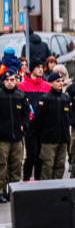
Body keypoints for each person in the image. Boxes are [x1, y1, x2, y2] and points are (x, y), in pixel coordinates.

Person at [30, 72, 70, 180]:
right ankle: (47, 187)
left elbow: (69, 117)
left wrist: (67, 136)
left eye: (61, 81)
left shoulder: (66, 98)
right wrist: (38, 135)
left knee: (60, 165)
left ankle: (57, 186)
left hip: (62, 138)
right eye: (57, 81)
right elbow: (37, 119)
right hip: (48, 139)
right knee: (48, 165)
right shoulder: (45, 99)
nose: (60, 83)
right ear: (51, 83)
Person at [0, 70, 29, 200]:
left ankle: (14, 191)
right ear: (3, 81)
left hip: (17, 137)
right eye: (7, 80)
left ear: (16, 80)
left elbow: (26, 114)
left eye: (12, 80)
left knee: (16, 165)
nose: (10, 82)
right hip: (2, 138)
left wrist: (24, 125)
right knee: (2, 165)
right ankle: (1, 191)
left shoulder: (21, 96)